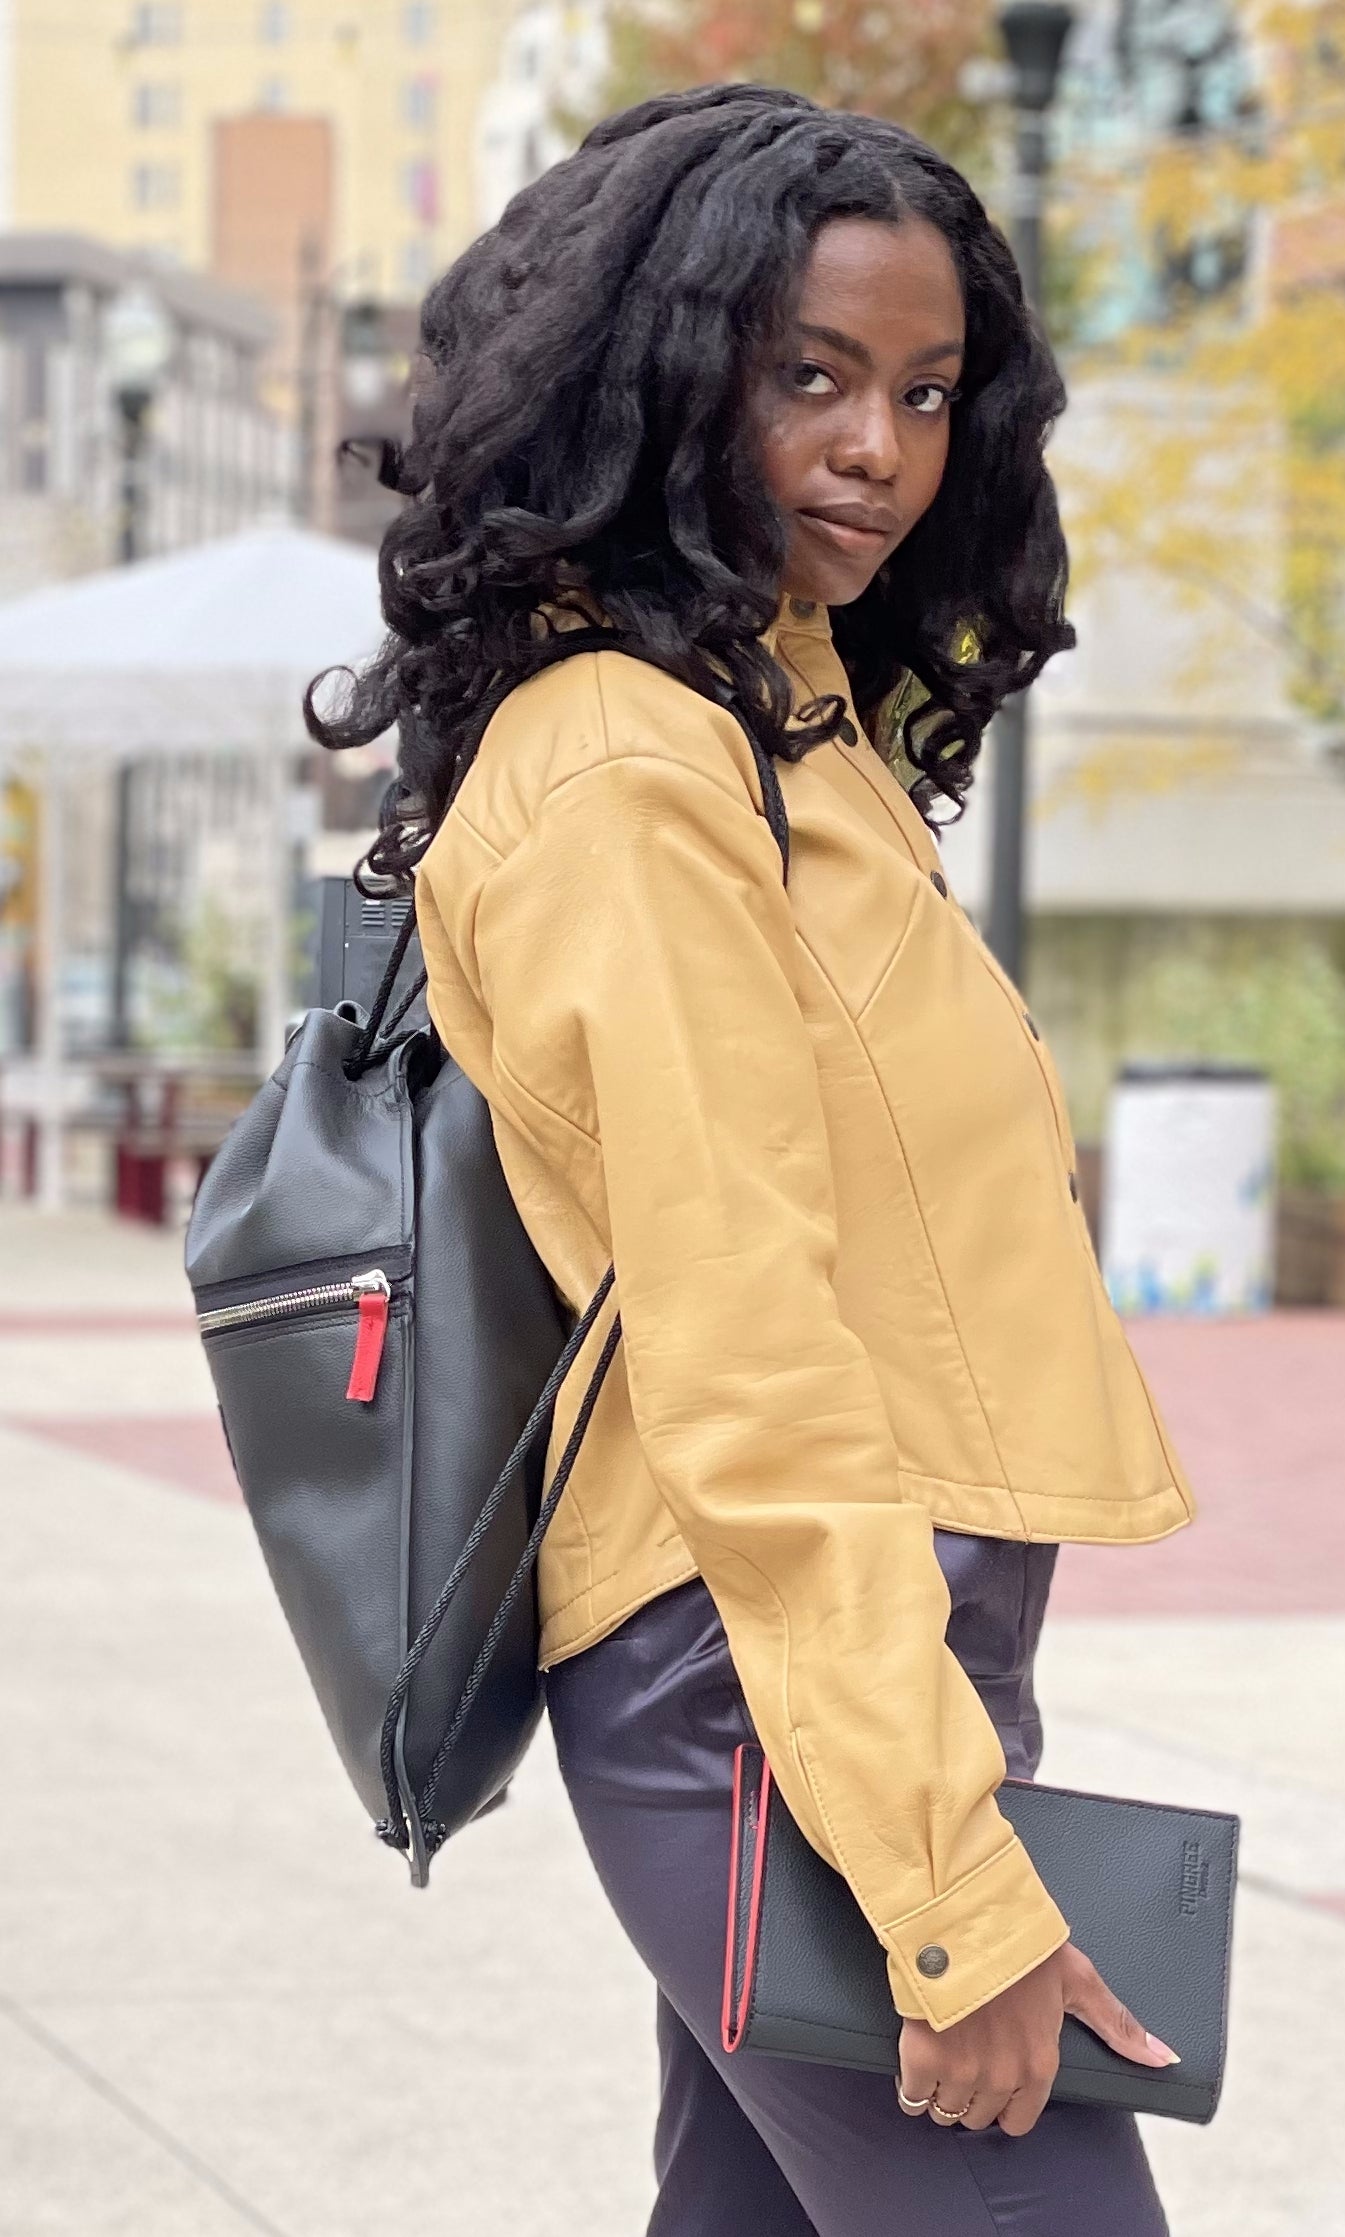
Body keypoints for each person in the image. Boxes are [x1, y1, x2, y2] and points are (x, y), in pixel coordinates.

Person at [313, 83, 1195, 2237]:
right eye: (804, 377)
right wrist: (940, 1884)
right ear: (650, 372)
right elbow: (746, 1348)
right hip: (766, 1690)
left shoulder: (763, 730)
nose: (876, 450)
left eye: (921, 389)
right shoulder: (632, 766)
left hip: (844, 1668)